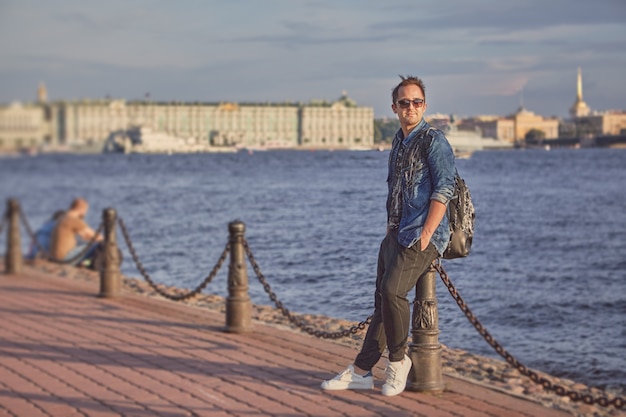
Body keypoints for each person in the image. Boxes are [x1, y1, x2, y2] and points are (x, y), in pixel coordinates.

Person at [321, 76, 456, 396]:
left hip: (422, 236)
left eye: (417, 102)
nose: (411, 107)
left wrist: (426, 234)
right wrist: (389, 228)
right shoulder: (398, 141)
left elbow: (444, 189)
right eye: (405, 102)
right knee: (383, 302)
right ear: (394, 107)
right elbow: (395, 188)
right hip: (396, 232)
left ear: (425, 105)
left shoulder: (433, 140)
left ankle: (398, 362)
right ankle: (361, 371)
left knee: (392, 292)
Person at [49, 198, 103, 265]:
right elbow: (97, 237)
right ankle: (87, 264)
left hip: (55, 257)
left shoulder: (63, 217)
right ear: (82, 209)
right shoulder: (74, 220)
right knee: (99, 245)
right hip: (65, 258)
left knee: (85, 244)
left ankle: (86, 263)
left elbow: (84, 235)